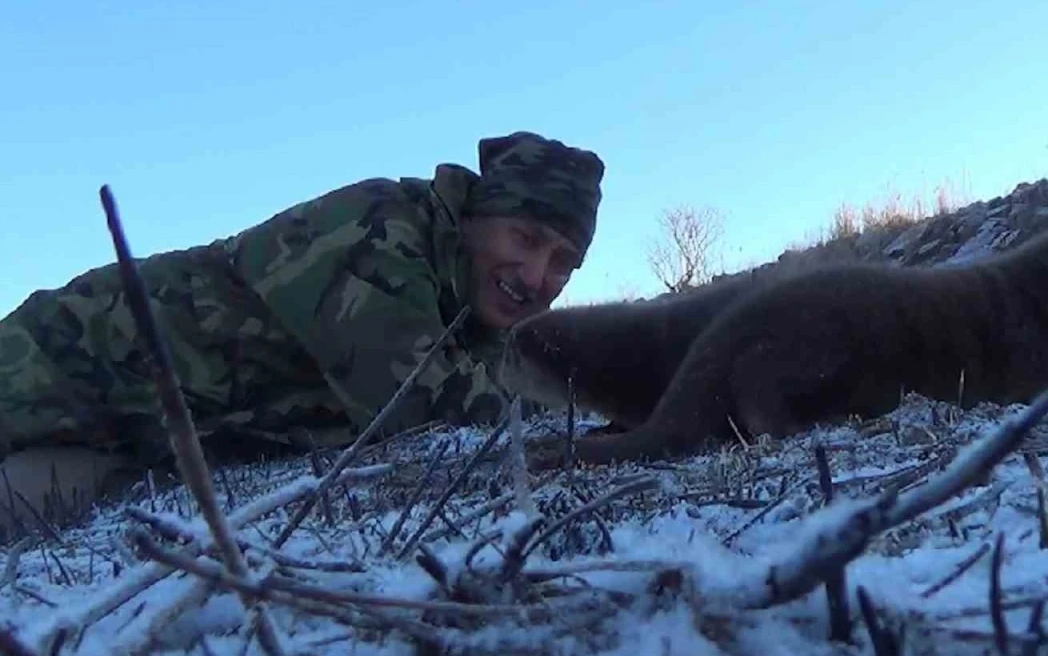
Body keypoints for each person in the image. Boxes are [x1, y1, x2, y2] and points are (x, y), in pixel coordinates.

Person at [0, 131, 605, 531]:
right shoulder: (377, 229)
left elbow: (502, 389)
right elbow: (429, 404)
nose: (536, 276)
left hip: (123, 441)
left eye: (561, 262)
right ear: (474, 218)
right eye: (523, 240)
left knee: (31, 504)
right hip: (55, 364)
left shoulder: (470, 310)